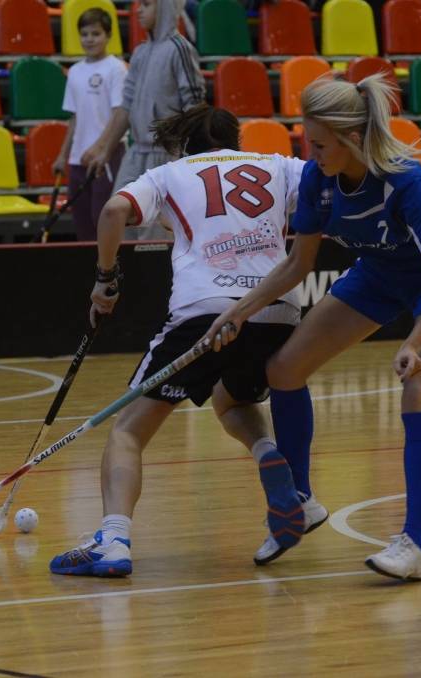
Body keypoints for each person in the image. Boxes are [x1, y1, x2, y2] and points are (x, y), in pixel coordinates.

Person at [205, 75, 421, 581]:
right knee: (284, 369)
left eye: (319, 144)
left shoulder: (405, 181)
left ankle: (414, 545)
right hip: (377, 274)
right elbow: (297, 265)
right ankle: (301, 500)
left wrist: (413, 342)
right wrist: (239, 310)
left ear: (352, 138)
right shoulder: (319, 179)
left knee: (417, 388)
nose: (310, 154)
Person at [49, 104, 327, 577]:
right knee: (231, 400)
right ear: (236, 140)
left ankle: (112, 541)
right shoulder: (279, 166)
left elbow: (114, 211)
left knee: (128, 431)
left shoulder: (169, 173)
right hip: (276, 311)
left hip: (205, 311)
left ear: (183, 145)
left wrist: (105, 279)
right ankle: (273, 460)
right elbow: (329, 184)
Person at [80, 0, 206, 241]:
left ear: (165, 7)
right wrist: (105, 151)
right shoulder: (140, 53)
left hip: (167, 156)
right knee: (117, 219)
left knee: (155, 237)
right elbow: (126, 107)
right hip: (135, 154)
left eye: (146, 4)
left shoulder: (180, 49)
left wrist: (188, 158)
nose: (138, 10)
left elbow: (195, 108)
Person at [52, 9, 128, 242]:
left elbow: (119, 113)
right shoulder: (75, 71)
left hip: (108, 156)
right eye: (84, 34)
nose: (90, 39)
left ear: (108, 35)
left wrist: (99, 147)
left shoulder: (116, 68)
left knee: (102, 219)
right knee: (82, 223)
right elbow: (74, 117)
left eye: (96, 34)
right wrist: (62, 155)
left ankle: (109, 264)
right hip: (78, 159)